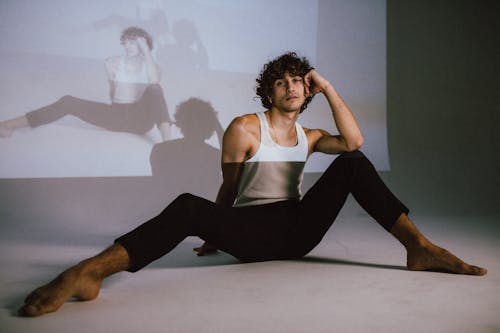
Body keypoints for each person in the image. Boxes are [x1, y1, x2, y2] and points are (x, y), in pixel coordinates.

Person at [17, 52, 487, 317]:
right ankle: (91, 271)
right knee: (186, 203)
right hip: (250, 231)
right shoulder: (244, 127)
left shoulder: (313, 134)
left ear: (307, 92)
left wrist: (328, 86)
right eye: (281, 82)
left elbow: (355, 141)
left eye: (298, 82)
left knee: (354, 162)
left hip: (298, 229)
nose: (291, 87)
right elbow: (229, 189)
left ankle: (418, 247)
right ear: (269, 92)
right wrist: (212, 231)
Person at [0, 26, 171, 141]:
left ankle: (168, 145)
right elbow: (113, 96)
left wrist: (146, 50)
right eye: (126, 41)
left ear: (145, 44)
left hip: (141, 121)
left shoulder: (153, 67)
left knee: (155, 89)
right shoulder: (112, 62)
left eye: (134, 41)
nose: (128, 45)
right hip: (117, 116)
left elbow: (154, 81)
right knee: (68, 101)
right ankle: (8, 125)